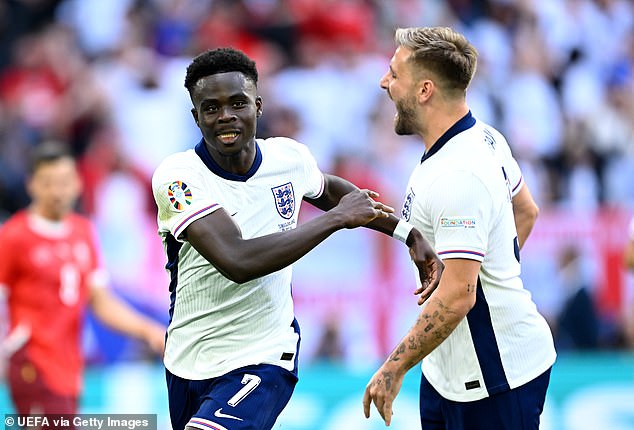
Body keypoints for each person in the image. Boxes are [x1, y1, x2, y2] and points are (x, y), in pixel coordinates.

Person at [151, 47, 441, 430]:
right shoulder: (178, 178)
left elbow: (333, 191)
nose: (226, 116)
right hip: (188, 358)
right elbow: (237, 261)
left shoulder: (288, 158)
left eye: (237, 103)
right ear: (196, 116)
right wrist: (336, 220)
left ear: (257, 105)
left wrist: (407, 233)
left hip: (265, 354)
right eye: (211, 107)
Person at [362, 27, 556, 429]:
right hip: (446, 372)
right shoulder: (481, 136)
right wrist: (492, 263)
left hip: (495, 379)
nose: (384, 82)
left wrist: (393, 368)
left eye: (394, 74)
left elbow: (456, 298)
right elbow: (527, 211)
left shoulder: (458, 174)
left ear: (425, 90)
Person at [0, 141, 166, 416]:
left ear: (78, 183)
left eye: (64, 182)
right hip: (31, 362)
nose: (57, 191)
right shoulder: (15, 236)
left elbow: (100, 301)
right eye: (47, 182)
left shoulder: (83, 233)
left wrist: (148, 331)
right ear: (32, 185)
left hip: (69, 366)